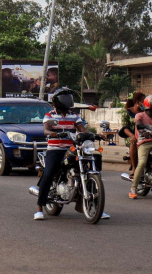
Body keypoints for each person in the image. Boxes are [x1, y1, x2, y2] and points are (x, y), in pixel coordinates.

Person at [35, 87, 109, 220]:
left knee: (93, 159)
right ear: (57, 101)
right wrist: (54, 133)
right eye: (64, 98)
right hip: (55, 149)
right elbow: (46, 130)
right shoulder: (50, 115)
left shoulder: (74, 116)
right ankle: (39, 207)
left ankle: (97, 207)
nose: (67, 101)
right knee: (49, 172)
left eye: (68, 98)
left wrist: (94, 135)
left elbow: (82, 129)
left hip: (71, 149)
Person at [119, 92, 146, 178]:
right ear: (137, 102)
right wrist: (132, 135)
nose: (144, 103)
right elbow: (125, 127)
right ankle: (134, 168)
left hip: (145, 134)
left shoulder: (146, 112)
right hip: (131, 135)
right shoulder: (126, 112)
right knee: (134, 143)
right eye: (143, 101)